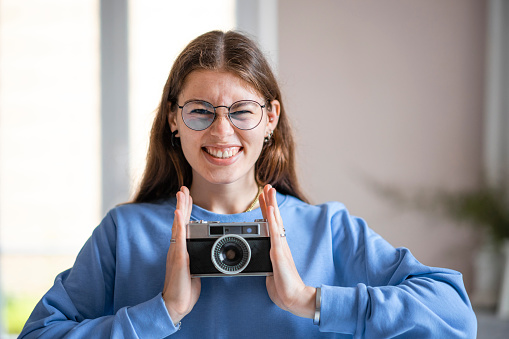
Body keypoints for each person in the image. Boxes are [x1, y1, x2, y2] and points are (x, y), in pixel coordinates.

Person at [19, 30, 477, 338]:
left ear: (270, 119)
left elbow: (456, 315)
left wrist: (312, 300)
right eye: (200, 111)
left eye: (242, 111)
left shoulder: (327, 231)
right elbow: (38, 332)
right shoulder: (125, 234)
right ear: (175, 120)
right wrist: (160, 313)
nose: (221, 133)